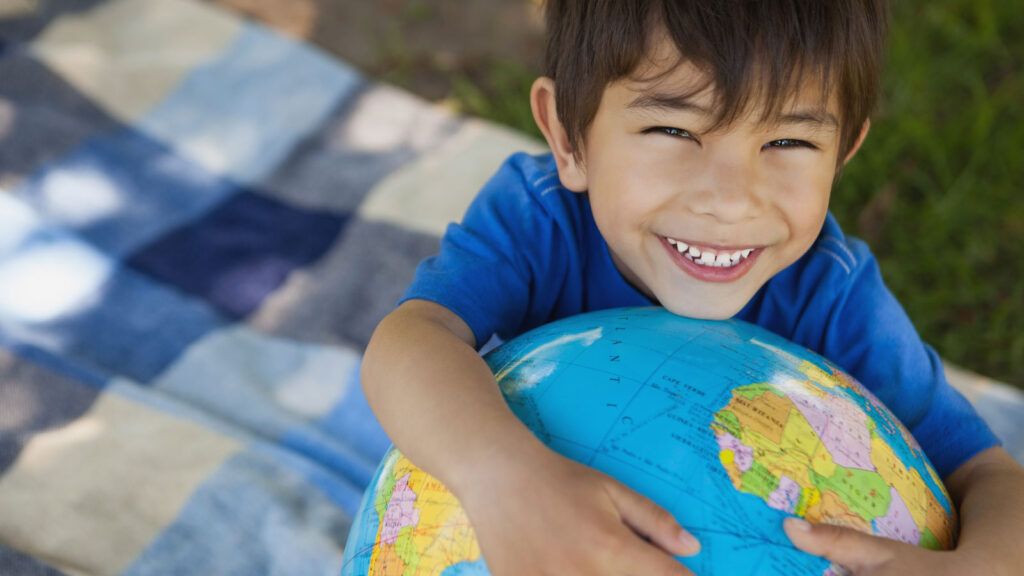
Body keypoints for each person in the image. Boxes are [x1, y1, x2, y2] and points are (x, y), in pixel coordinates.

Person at [361, 1, 1024, 575]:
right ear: (568, 134)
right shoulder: (539, 221)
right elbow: (410, 339)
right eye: (675, 130)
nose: (731, 200)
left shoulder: (833, 297)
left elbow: (990, 477)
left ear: (844, 151)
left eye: (789, 140)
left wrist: (984, 566)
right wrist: (502, 479)